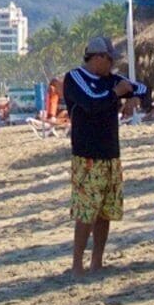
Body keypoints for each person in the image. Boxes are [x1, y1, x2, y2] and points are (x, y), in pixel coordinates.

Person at [55, 37, 138, 273]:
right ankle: (77, 264)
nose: (112, 66)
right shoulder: (75, 78)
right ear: (98, 57)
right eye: (110, 60)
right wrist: (116, 94)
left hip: (111, 153)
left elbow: (141, 88)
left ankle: (97, 261)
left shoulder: (111, 80)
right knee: (86, 212)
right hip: (87, 154)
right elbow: (91, 104)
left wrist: (131, 95)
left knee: (105, 211)